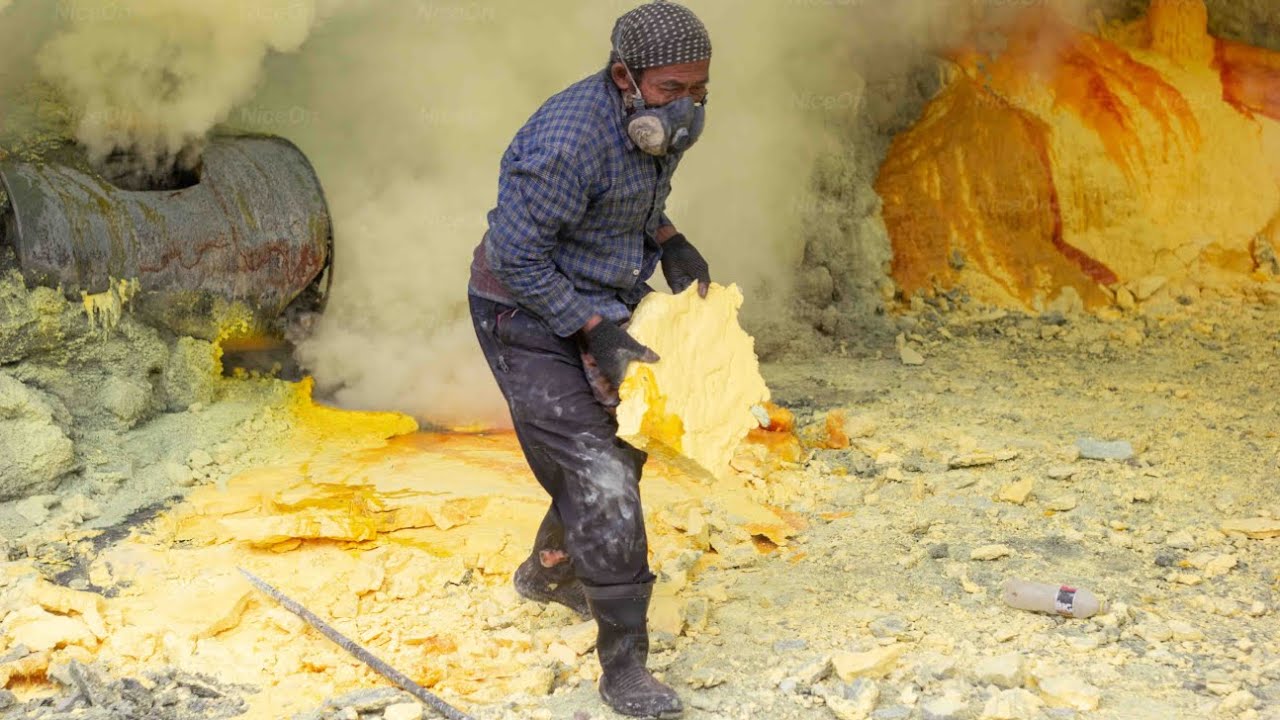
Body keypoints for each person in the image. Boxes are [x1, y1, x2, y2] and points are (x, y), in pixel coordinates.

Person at [466, 2, 713, 716]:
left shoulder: (670, 119)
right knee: (600, 469)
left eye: (700, 90)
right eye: (671, 92)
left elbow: (641, 196)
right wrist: (593, 328)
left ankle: (550, 569)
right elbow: (517, 253)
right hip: (522, 307)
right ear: (623, 78)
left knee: (622, 443)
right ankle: (625, 666)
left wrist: (669, 239)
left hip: (600, 293)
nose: (687, 107)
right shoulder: (565, 140)